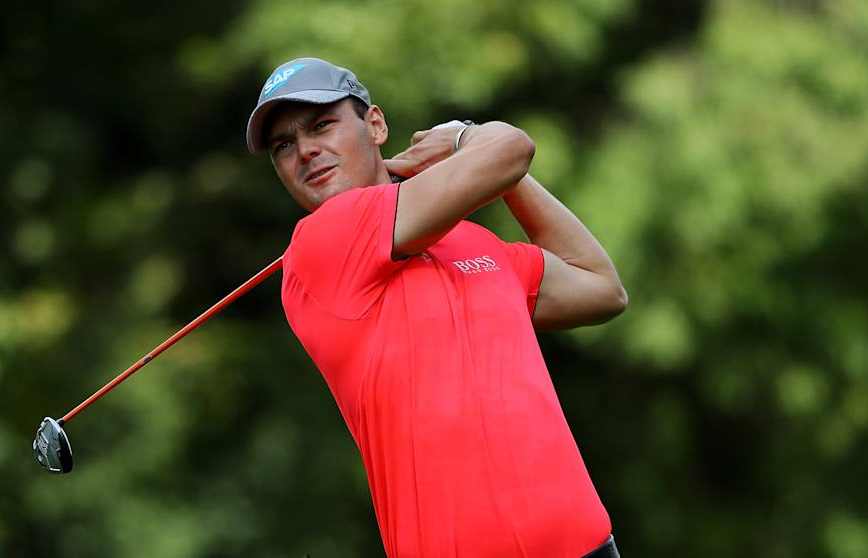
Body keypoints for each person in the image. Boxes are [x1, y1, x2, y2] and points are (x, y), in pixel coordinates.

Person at [246, 57, 628, 558]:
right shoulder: (323, 241)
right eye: (284, 146)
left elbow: (600, 287)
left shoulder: (472, 241)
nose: (307, 151)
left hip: (592, 547)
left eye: (321, 125)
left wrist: (505, 177)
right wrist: (464, 140)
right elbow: (514, 146)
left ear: (376, 124)